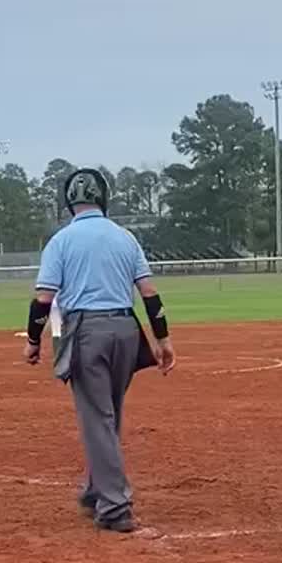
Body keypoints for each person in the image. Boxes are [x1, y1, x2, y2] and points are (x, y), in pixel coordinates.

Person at [24, 168, 174, 533]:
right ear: (103, 197)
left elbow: (44, 298)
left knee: (97, 420)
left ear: (68, 201)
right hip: (126, 330)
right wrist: (163, 339)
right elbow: (149, 294)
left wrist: (32, 341)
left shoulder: (61, 241)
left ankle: (115, 507)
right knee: (109, 415)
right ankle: (95, 492)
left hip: (86, 331)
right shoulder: (125, 238)